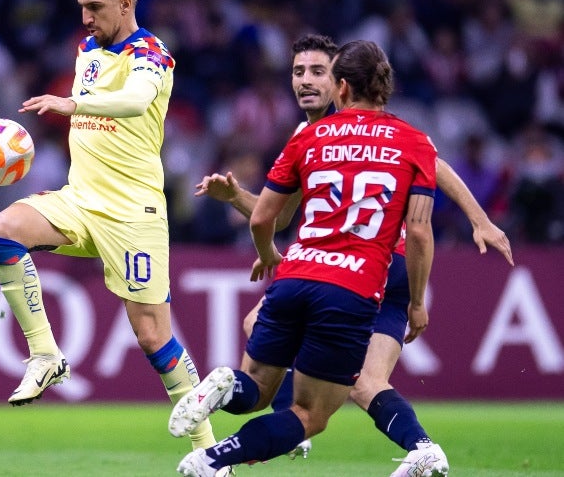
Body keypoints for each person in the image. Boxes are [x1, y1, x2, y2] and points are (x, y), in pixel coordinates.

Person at [194, 34, 514, 475]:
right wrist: (235, 197)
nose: (306, 81)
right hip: (356, 264)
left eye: (318, 72)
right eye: (297, 71)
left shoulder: (329, 131)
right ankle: (418, 448)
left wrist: (478, 217)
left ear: (340, 83)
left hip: (377, 262)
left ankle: (283, 426)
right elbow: (279, 212)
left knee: (270, 339)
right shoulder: (317, 132)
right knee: (360, 380)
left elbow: (434, 167)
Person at [0, 0, 217, 450]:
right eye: (82, 6)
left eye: (95, 6)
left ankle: (208, 451)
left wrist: (73, 104)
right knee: (3, 228)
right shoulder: (87, 49)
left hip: (134, 214)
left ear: (125, 3)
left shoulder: (153, 54)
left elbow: (134, 101)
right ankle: (45, 355)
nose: (85, 17)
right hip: (79, 200)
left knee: (154, 337)